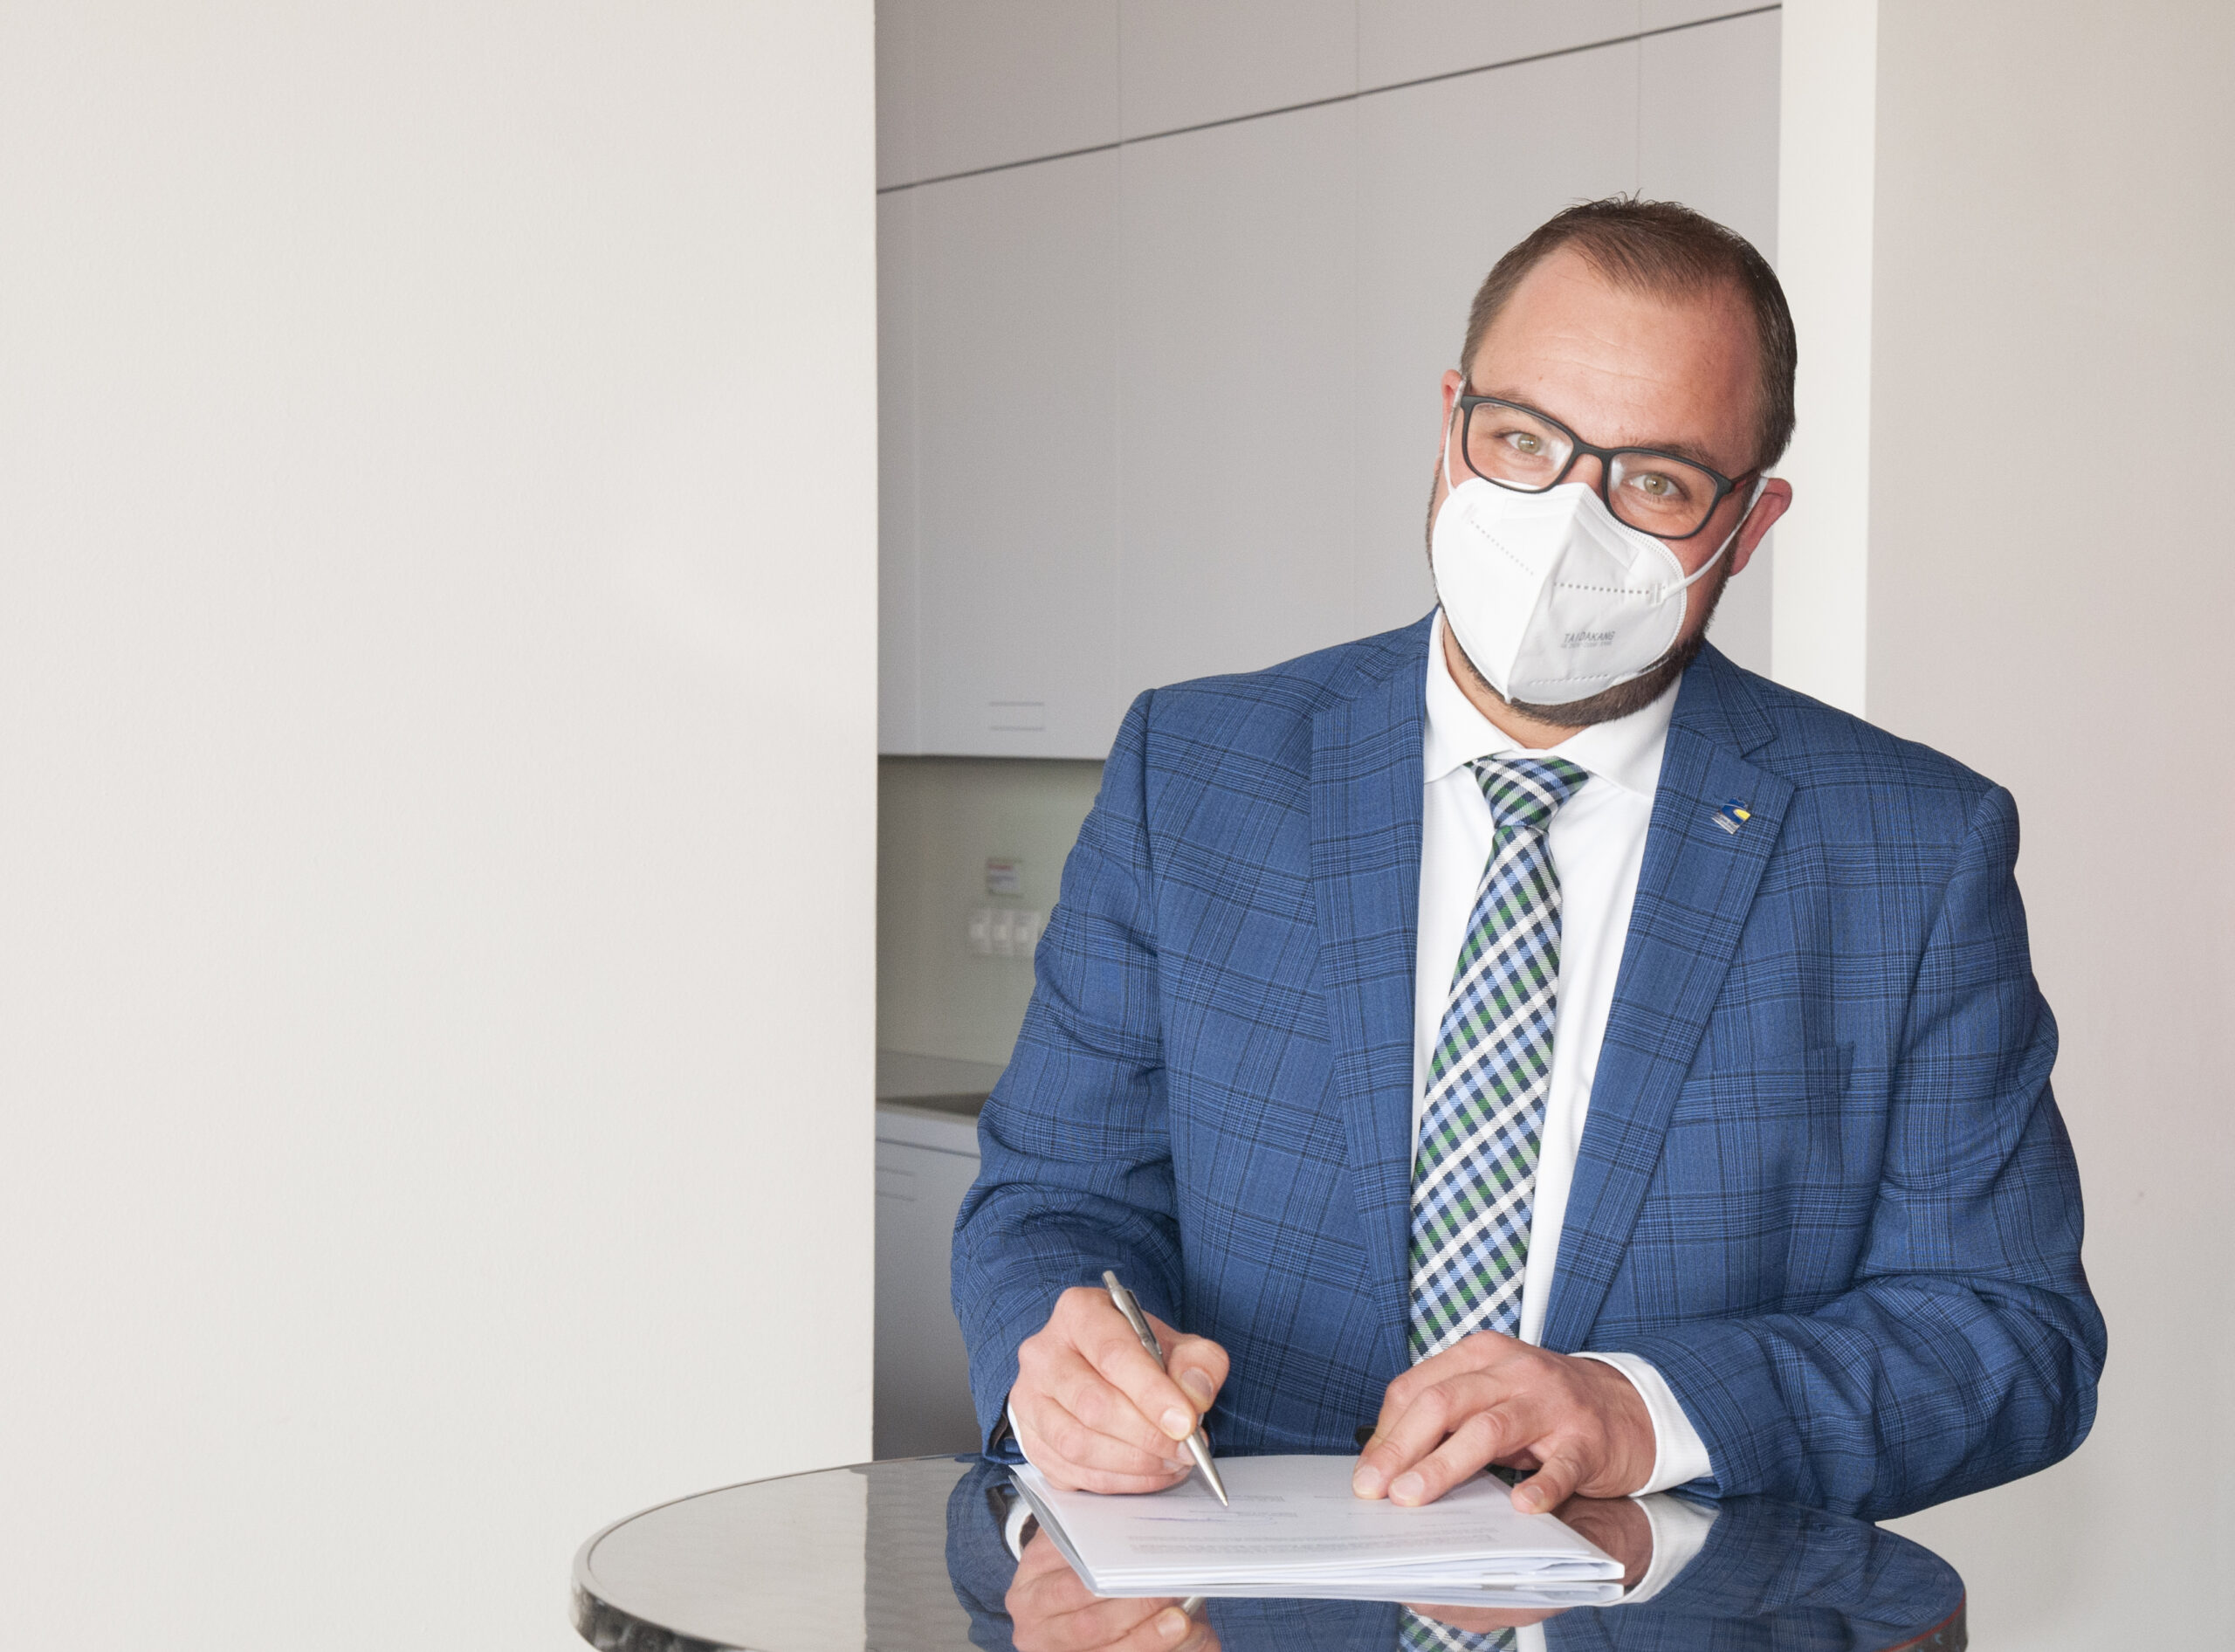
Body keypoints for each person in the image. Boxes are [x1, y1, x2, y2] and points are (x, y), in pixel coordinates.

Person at [950, 196, 2104, 1524]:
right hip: (1241, 1606)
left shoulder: (1908, 850)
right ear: (1451, 427)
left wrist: (1641, 1408)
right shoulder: (1195, 771)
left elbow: (2013, 1336)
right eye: (1523, 442)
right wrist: (1071, 1362)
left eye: (1655, 479)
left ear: (1751, 521)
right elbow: (1054, 1196)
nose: (1568, 522)